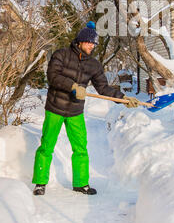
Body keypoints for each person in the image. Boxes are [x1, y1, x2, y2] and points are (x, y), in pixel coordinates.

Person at [32, 21, 140, 196]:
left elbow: (103, 88)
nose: (92, 46)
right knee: (47, 146)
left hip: (75, 110)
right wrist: (73, 86)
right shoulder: (62, 55)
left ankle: (81, 183)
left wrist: (123, 99)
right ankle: (40, 182)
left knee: (81, 148)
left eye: (94, 43)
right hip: (55, 107)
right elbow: (53, 76)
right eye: (90, 42)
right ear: (80, 41)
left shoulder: (94, 65)